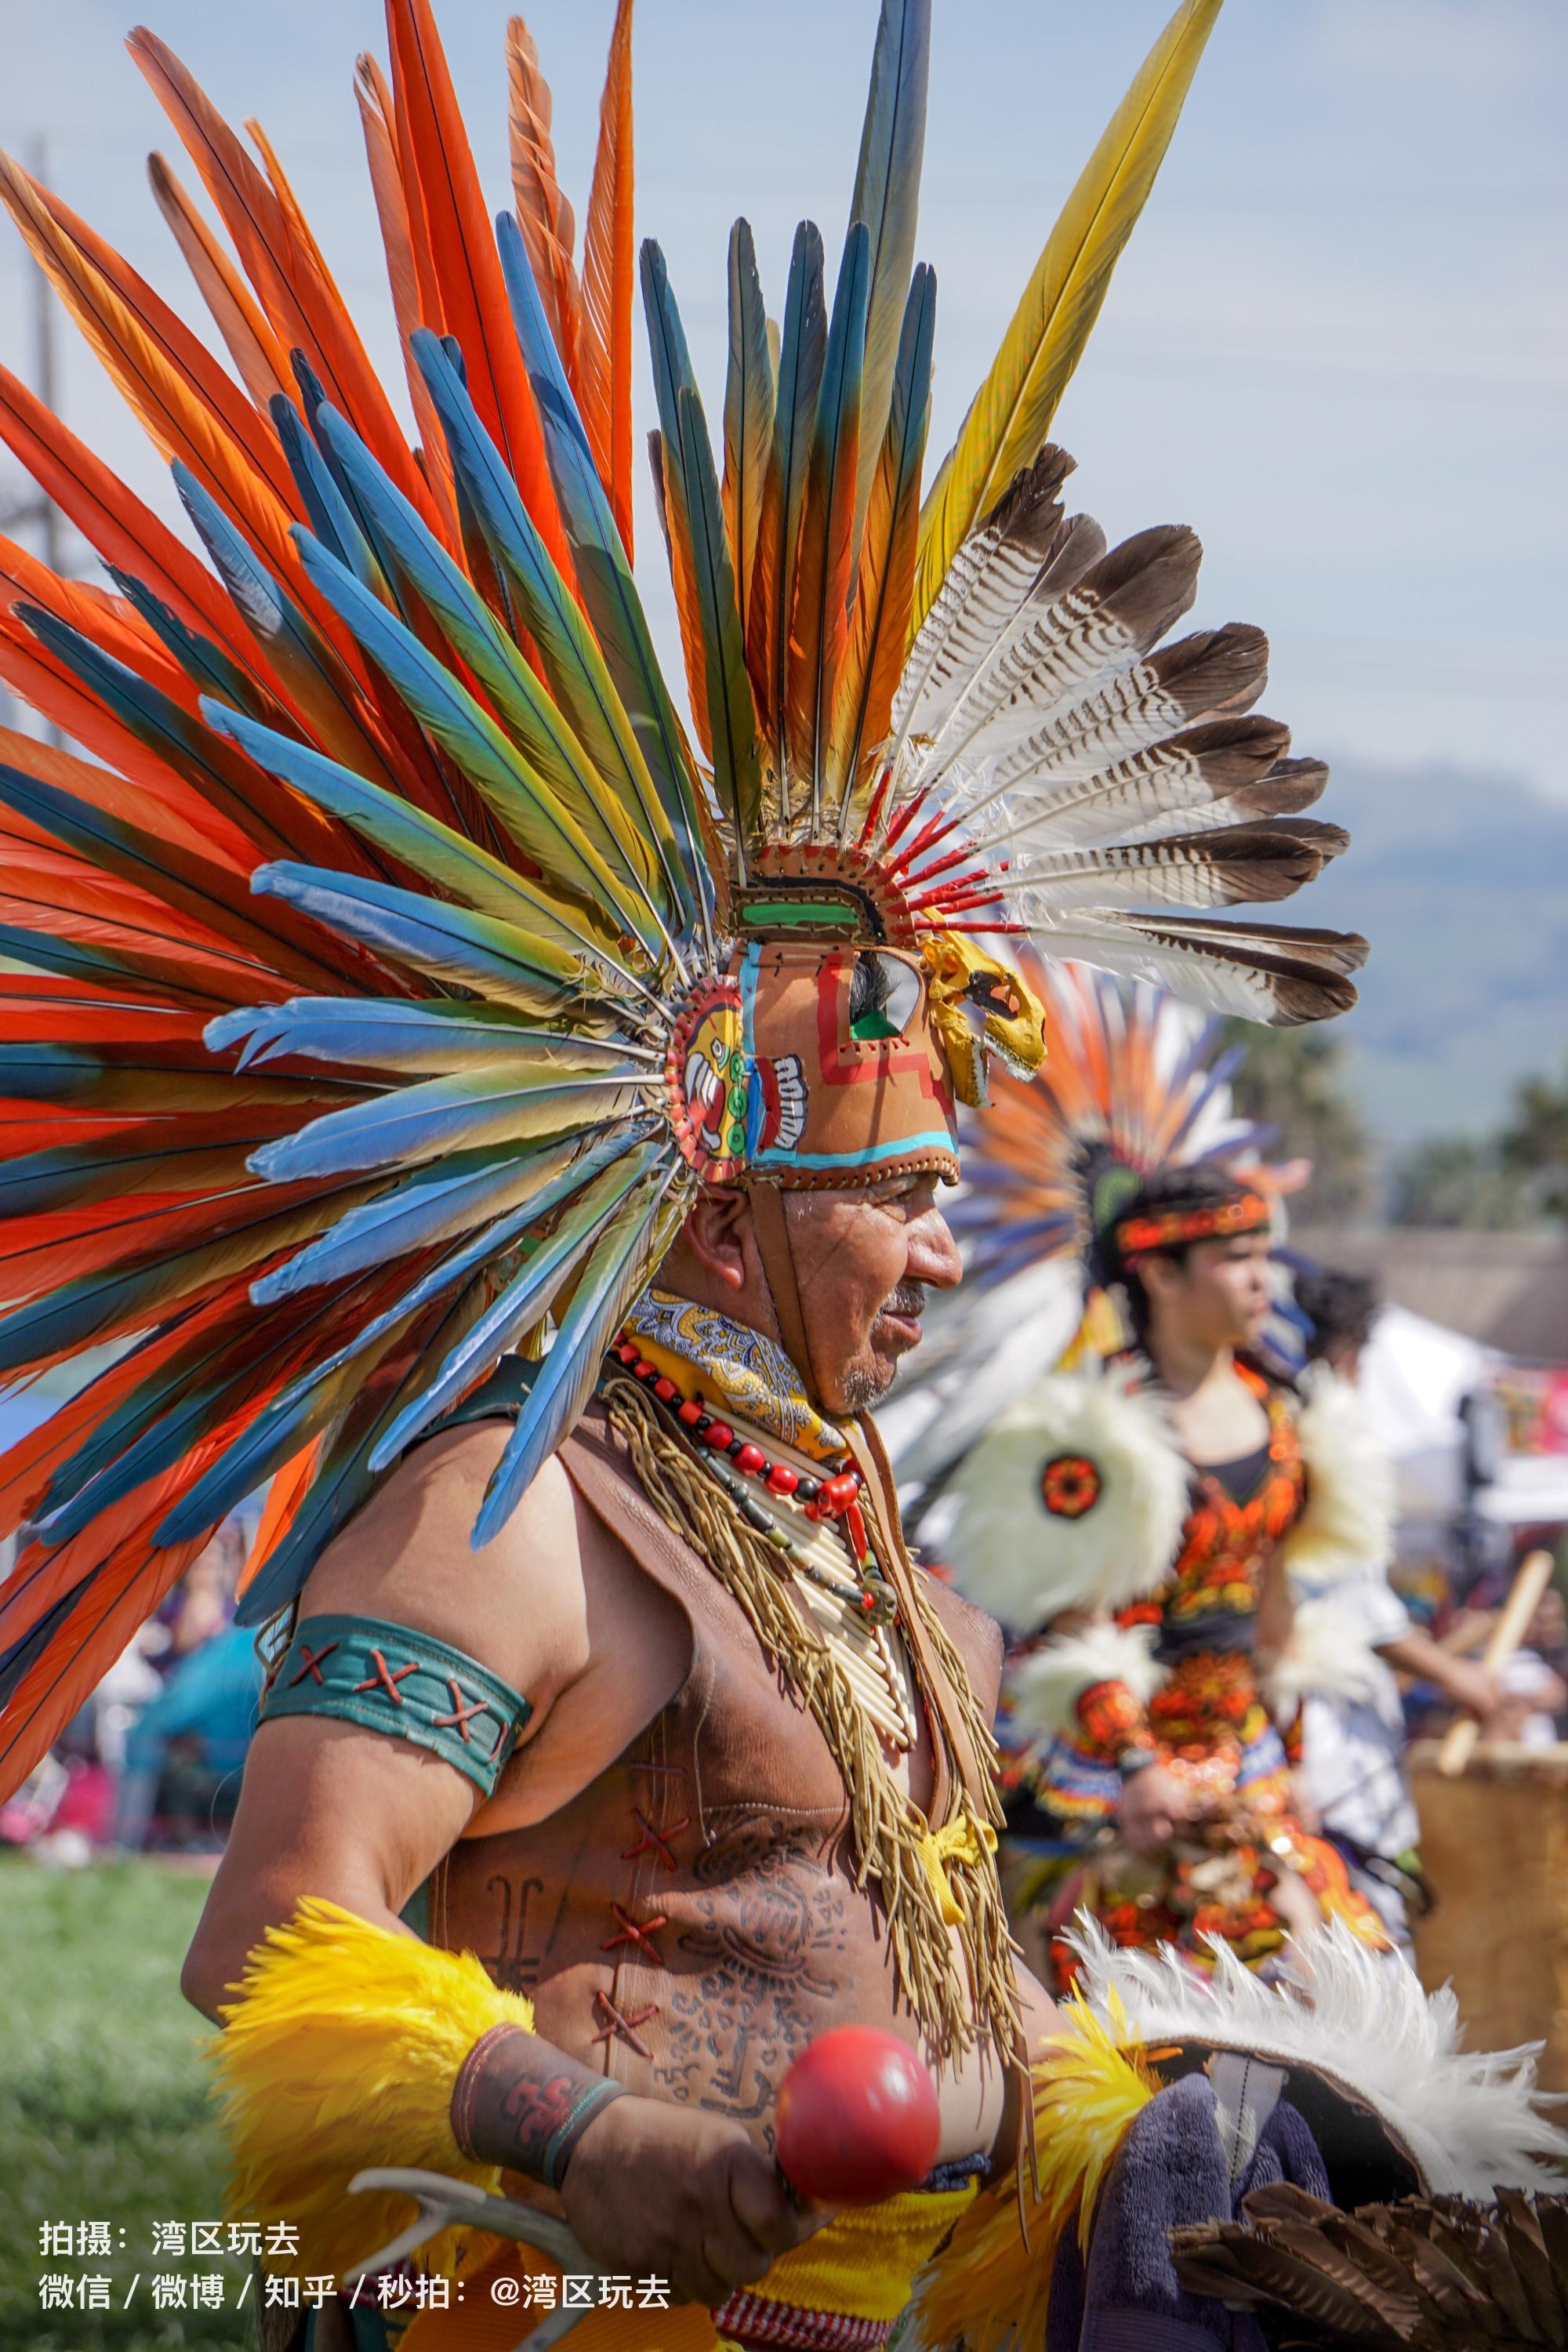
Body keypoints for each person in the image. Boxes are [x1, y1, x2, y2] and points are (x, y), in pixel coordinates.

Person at [0, 3, 1556, 2347]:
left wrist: (1186, 2121)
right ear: (721, 1198)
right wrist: (605, 2143)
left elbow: (951, 2013)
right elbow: (276, 1950)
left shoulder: (885, 1559)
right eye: (901, 1186)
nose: (952, 1237)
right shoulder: (507, 1508)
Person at [949, 1156, 1392, 1990]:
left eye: (1263, 1251)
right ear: (1157, 1271)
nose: (1261, 1277)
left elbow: (1275, 1608)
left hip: (1245, 1763)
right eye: (1233, 1256)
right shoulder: (1091, 1430)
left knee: (1343, 1966)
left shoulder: (1287, 1415)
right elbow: (1077, 1627)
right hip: (1111, 1775)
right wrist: (1137, 1768)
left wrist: (1290, 1760)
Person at [1275, 1266, 1499, 1944]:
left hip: (1325, 1745)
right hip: (1313, 1755)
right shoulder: (1302, 1438)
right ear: (1345, 1353)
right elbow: (1353, 1606)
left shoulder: (1292, 1432)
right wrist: (1456, 1674)